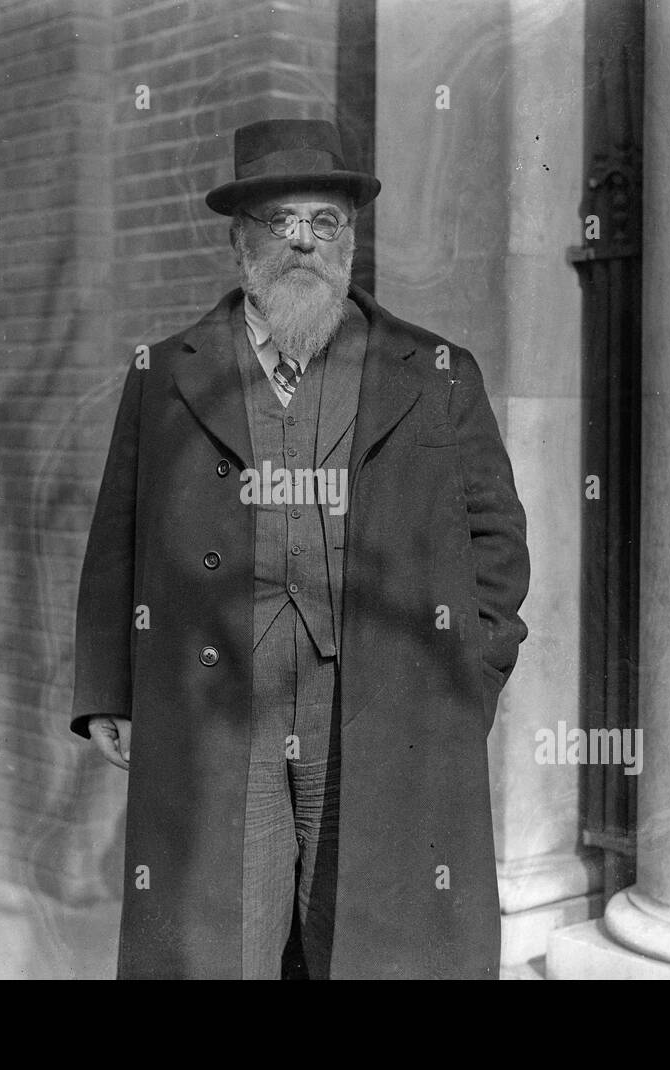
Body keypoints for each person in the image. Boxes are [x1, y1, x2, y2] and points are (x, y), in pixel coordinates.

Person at [71, 118, 530, 979]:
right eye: (282, 221)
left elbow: (496, 539)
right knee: (220, 945)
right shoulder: (166, 372)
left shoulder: (436, 371)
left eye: (323, 222)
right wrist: (108, 689)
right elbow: (116, 537)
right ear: (242, 239)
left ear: (348, 238)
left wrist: (472, 671)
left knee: (368, 942)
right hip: (215, 708)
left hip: (376, 700)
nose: (303, 242)